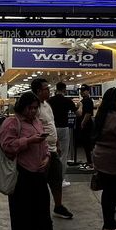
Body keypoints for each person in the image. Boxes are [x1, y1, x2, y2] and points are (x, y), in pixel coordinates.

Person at [0, 92, 65, 230]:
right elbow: (7, 146)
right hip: (21, 172)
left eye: (36, 108)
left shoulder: (36, 121)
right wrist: (28, 141)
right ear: (23, 106)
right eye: (31, 108)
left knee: (42, 207)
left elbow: (43, 142)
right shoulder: (11, 123)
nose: (34, 111)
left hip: (39, 171)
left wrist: (47, 157)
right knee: (21, 211)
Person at [31, 78, 73, 220]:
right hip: (41, 152)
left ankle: (58, 206)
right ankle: (39, 210)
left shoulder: (47, 105)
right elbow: (32, 128)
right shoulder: (34, 107)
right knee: (40, 184)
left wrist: (57, 144)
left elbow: (51, 124)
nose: (49, 91)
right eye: (46, 89)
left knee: (56, 178)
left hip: (53, 149)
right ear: (38, 91)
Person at [91, 87, 116, 230]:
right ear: (114, 101)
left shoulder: (103, 115)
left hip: (101, 158)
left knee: (108, 193)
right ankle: (108, 229)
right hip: (112, 160)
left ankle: (110, 221)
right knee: (111, 193)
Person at [48, 81, 77, 186]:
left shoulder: (49, 101)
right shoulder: (68, 101)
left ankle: (50, 178)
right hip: (64, 128)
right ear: (64, 90)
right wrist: (81, 105)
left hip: (52, 129)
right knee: (63, 155)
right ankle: (61, 180)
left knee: (51, 153)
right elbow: (78, 113)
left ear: (56, 89)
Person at [79, 84, 95, 169]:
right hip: (85, 125)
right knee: (86, 145)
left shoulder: (88, 101)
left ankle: (91, 162)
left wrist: (82, 123)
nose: (82, 92)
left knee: (88, 145)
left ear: (88, 91)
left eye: (84, 90)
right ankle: (89, 161)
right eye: (81, 90)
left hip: (87, 125)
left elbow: (88, 114)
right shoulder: (83, 101)